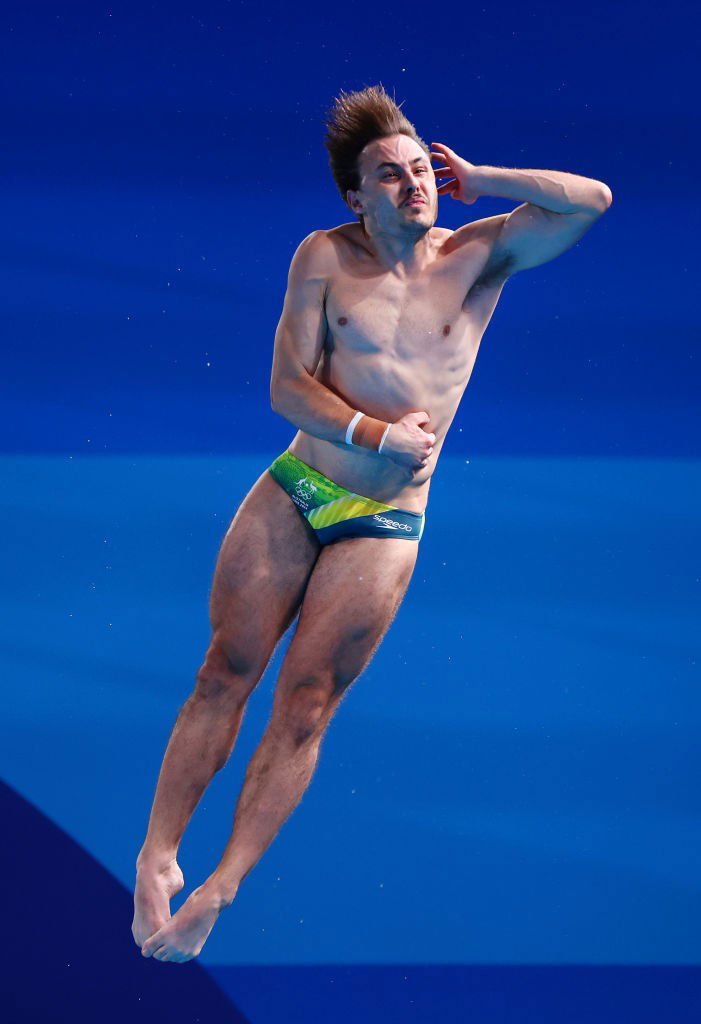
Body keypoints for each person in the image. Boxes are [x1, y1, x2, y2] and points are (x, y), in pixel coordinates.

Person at [132, 84, 612, 963]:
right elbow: (286, 387)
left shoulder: (476, 254)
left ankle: (221, 885)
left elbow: (591, 201)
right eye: (387, 175)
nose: (411, 183)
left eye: (420, 166)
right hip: (299, 487)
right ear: (354, 197)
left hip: (383, 522)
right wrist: (373, 433)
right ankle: (156, 856)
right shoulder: (322, 256)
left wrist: (482, 176)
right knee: (221, 671)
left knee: (306, 704)